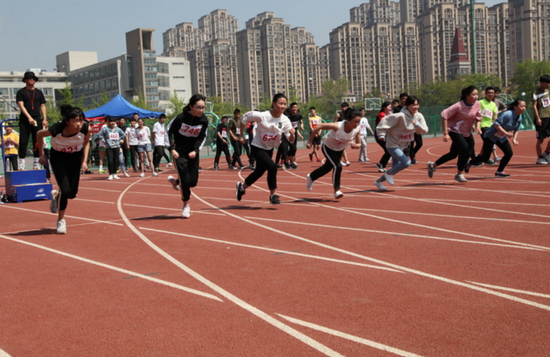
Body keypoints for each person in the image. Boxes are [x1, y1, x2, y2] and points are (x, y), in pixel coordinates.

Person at [37, 105, 91, 234]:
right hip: (58, 158)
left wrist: (84, 161)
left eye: (81, 120)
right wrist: (41, 155)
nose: (78, 124)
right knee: (65, 190)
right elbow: (39, 134)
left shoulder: (85, 128)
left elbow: (86, 142)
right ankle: (61, 220)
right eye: (75, 121)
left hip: (75, 158)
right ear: (67, 121)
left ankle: (56, 195)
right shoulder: (57, 128)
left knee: (72, 194)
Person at [236, 93, 295, 205]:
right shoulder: (262, 115)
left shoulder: (285, 120)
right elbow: (244, 118)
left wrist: (292, 134)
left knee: (259, 172)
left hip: (269, 148)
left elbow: (290, 139)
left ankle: (242, 188)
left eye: (285, 104)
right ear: (273, 103)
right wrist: (242, 135)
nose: (283, 106)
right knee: (272, 167)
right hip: (257, 146)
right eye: (280, 103)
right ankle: (273, 195)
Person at [166, 94, 209, 218]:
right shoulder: (180, 118)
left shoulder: (204, 120)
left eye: (203, 108)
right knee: (185, 181)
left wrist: (195, 150)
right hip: (179, 152)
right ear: (191, 106)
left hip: (193, 152)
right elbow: (168, 132)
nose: (201, 110)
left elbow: (202, 137)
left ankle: (176, 181)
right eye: (198, 107)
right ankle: (186, 204)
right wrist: (171, 149)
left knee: (193, 182)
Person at [427, 86, 482, 183]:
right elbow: (444, 115)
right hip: (454, 130)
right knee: (466, 151)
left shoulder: (477, 104)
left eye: (477, 94)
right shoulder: (458, 106)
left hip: (466, 131)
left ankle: (433, 165)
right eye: (473, 94)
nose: (476, 96)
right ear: (467, 95)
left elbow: (478, 117)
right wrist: (445, 133)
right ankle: (459, 174)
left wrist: (477, 126)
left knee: (453, 154)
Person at [374, 96, 429, 190]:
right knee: (406, 163)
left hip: (403, 145)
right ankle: (387, 174)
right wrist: (381, 134)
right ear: (407, 105)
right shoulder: (400, 115)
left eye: (417, 104)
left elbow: (424, 131)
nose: (415, 107)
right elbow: (384, 121)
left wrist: (417, 124)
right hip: (392, 144)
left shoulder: (419, 116)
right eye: (413, 105)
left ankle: (378, 182)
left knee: (395, 167)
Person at [305, 109, 362, 198]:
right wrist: (310, 141)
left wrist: (356, 145)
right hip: (328, 147)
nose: (357, 124)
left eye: (359, 122)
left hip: (339, 149)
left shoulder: (357, 130)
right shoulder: (337, 126)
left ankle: (311, 177)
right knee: (337, 166)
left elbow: (359, 143)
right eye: (355, 122)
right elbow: (318, 126)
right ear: (348, 120)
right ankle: (337, 190)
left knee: (328, 168)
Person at [468, 99, 526, 178]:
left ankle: (499, 171)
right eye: (521, 106)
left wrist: (514, 139)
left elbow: (516, 129)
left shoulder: (519, 117)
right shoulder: (508, 114)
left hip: (500, 137)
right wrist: (506, 133)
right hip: (491, 136)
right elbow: (496, 125)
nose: (523, 108)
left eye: (524, 106)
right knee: (485, 157)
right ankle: (469, 163)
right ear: (515, 107)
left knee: (509, 153)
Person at [16, 71, 48, 170]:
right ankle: (21, 162)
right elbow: (21, 106)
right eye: (29, 78)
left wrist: (44, 119)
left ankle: (36, 162)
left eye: (33, 78)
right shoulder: (21, 92)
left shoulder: (38, 92)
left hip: (37, 119)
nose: (31, 80)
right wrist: (29, 117)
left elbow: (42, 106)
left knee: (37, 141)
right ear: (25, 80)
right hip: (25, 120)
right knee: (23, 141)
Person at [98, 116, 127, 180]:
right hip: (109, 147)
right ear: (108, 122)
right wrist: (104, 141)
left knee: (116, 161)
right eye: (111, 121)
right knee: (110, 161)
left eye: (113, 121)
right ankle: (111, 174)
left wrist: (120, 139)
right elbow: (99, 134)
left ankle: (115, 174)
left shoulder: (118, 129)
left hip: (117, 146)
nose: (112, 123)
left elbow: (124, 135)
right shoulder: (105, 129)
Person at [531, 74, 550, 164]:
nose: (548, 85)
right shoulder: (536, 92)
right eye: (546, 83)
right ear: (541, 82)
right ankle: (539, 158)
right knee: (541, 139)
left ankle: (546, 152)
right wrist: (537, 118)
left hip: (549, 117)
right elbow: (534, 106)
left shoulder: (548, 91)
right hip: (541, 118)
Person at [478, 86, 499, 165]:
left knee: (488, 142)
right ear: (485, 94)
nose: (490, 94)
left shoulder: (493, 104)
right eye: (489, 93)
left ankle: (481, 157)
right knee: (488, 141)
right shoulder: (480, 102)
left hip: (491, 125)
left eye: (492, 93)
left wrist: (496, 123)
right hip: (483, 125)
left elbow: (495, 115)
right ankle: (485, 159)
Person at [375, 101, 393, 172]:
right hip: (380, 135)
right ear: (384, 108)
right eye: (389, 107)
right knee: (388, 150)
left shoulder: (387, 114)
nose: (390, 108)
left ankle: (381, 165)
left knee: (389, 151)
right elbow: (384, 124)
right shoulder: (381, 115)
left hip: (386, 135)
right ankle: (381, 164)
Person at [285, 102, 304, 169]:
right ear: (291, 108)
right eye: (293, 107)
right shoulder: (287, 117)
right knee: (293, 147)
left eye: (296, 107)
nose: (294, 109)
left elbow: (301, 122)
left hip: (295, 134)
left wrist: (301, 126)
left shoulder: (299, 116)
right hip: (288, 134)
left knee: (293, 148)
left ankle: (287, 162)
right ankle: (291, 163)